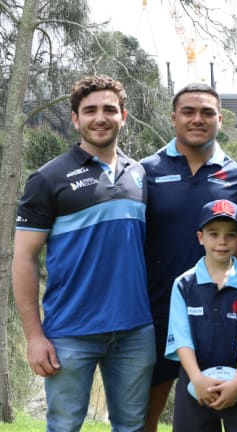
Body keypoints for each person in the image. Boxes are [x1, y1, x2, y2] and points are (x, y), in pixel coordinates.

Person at [12, 74, 154, 431]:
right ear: (76, 119)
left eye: (109, 109)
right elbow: (24, 259)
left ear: (123, 115)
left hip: (135, 330)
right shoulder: (48, 179)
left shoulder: (138, 174)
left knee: (132, 427)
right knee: (64, 426)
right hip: (69, 332)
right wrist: (34, 337)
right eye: (89, 110)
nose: (100, 117)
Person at [141, 82, 237, 431]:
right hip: (156, 311)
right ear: (174, 118)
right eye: (188, 111)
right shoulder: (145, 171)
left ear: (219, 118)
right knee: (144, 415)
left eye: (206, 112)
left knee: (213, 412)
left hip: (217, 313)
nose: (197, 119)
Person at [165, 199, 237, 431]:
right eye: (213, 233)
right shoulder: (183, 284)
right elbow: (181, 338)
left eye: (230, 235)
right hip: (195, 381)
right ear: (201, 237)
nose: (222, 241)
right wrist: (197, 380)